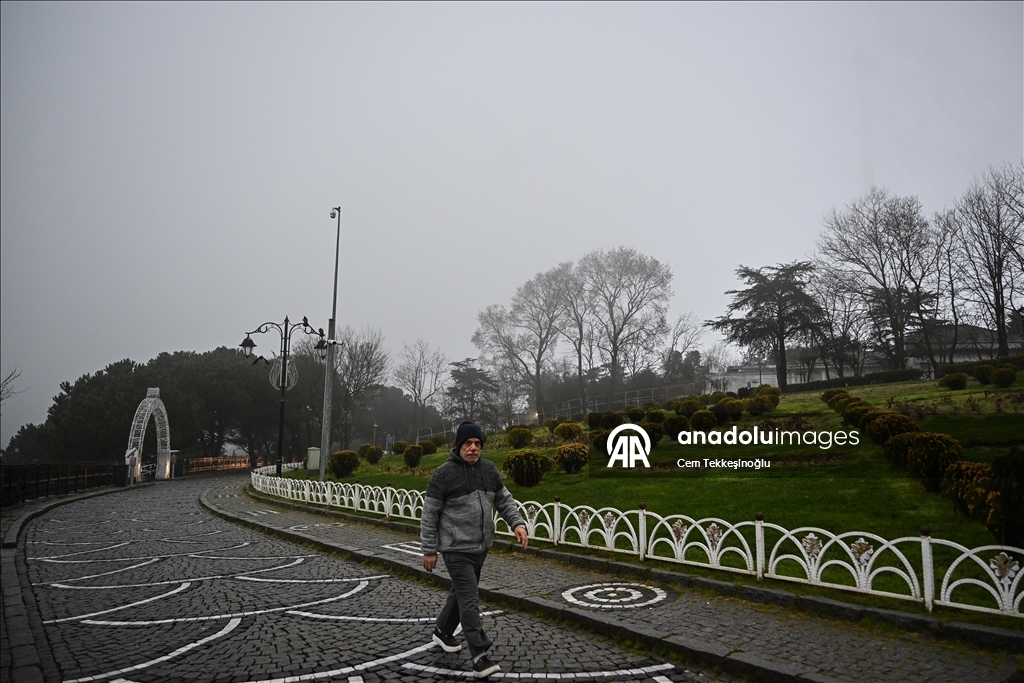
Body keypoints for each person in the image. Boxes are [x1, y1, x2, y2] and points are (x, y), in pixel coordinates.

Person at [421, 420, 529, 678]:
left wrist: (517, 523)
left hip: (481, 548)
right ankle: (480, 656)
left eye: (477, 444)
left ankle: (442, 631)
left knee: (460, 595)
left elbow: (504, 500)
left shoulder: (489, 470)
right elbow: (429, 515)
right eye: (468, 443)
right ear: (458, 446)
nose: (473, 448)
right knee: (470, 599)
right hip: (456, 550)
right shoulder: (443, 474)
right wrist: (429, 549)